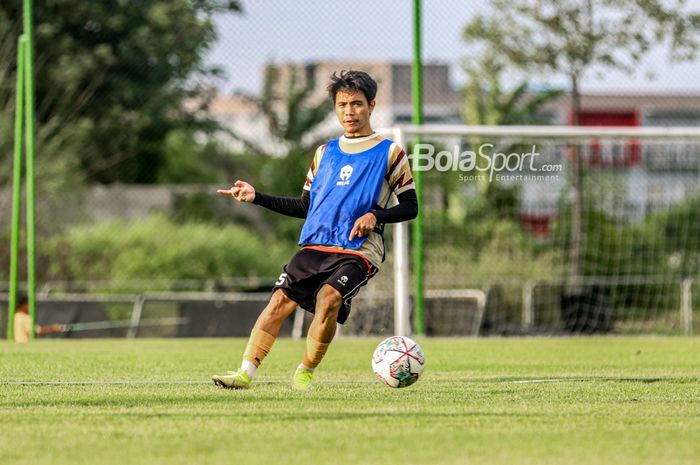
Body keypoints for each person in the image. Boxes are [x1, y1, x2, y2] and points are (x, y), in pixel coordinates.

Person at [212, 70, 418, 390]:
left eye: (357, 104)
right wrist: (256, 197)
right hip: (316, 245)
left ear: (372, 105)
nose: (349, 111)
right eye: (342, 104)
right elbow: (304, 206)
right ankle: (244, 373)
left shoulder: (390, 153)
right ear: (335, 108)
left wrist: (376, 216)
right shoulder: (324, 153)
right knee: (278, 302)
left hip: (358, 249)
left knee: (329, 296)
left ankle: (306, 370)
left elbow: (411, 206)